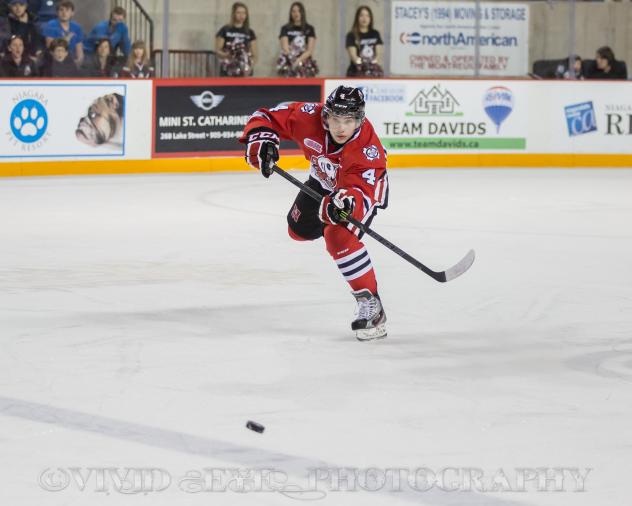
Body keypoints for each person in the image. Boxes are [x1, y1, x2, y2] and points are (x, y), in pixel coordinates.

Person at [241, 86, 389, 341]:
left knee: (337, 236)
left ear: (359, 120)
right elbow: (266, 117)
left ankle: (371, 305)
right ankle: (336, 232)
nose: (341, 127)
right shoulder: (308, 116)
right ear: (325, 117)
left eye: (349, 121)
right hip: (321, 181)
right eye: (335, 119)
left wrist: (343, 205)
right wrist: (262, 139)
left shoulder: (367, 149)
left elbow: (360, 189)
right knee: (296, 230)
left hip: (359, 193)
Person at [215, 2, 257, 76]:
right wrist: (226, 55)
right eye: (238, 13)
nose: (241, 16)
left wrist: (250, 65)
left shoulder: (250, 32)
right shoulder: (225, 30)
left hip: (244, 69)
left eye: (244, 13)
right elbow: (218, 50)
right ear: (233, 14)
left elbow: (255, 54)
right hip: (228, 68)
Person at [277, 1, 318, 78]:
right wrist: (293, 61)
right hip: (289, 62)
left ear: (302, 12)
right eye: (293, 11)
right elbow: (285, 47)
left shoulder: (309, 28)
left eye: (299, 11)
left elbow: (310, 50)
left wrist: (299, 60)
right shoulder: (285, 28)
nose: (296, 13)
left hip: (304, 63)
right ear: (290, 13)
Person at [345, 5, 383, 77]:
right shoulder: (351, 35)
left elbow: (378, 54)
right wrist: (362, 66)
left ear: (370, 18)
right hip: (356, 71)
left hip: (373, 71)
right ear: (357, 18)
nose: (364, 18)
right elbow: (354, 56)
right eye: (362, 15)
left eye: (367, 16)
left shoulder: (375, 34)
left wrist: (372, 65)